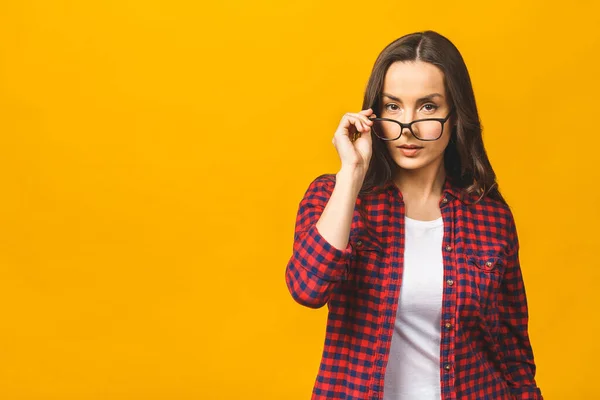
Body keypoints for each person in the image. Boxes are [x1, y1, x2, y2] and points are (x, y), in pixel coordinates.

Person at [284, 31, 542, 400]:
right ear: (374, 113)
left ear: (456, 116)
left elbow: (513, 352)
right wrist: (352, 174)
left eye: (427, 107)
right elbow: (308, 289)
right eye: (392, 107)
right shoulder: (334, 196)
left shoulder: (491, 217)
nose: (408, 127)